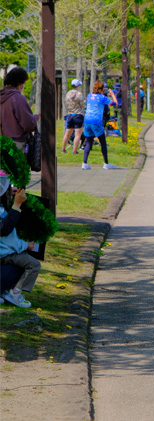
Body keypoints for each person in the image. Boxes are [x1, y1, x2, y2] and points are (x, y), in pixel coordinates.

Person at [0, 172, 40, 308]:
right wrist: (25, 245)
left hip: (4, 253)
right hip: (5, 254)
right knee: (33, 265)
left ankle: (4, 291)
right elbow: (6, 234)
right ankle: (15, 294)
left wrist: (9, 194)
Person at [82, 80, 118, 170]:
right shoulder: (102, 98)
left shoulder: (89, 95)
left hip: (87, 120)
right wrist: (112, 94)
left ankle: (84, 163)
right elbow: (115, 104)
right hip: (96, 122)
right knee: (103, 142)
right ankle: (106, 163)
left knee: (89, 142)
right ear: (102, 89)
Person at [0, 67, 38, 153]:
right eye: (23, 83)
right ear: (19, 83)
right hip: (16, 145)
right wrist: (35, 118)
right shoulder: (18, 98)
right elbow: (28, 125)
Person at [60, 79, 87, 154]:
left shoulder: (68, 93)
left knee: (67, 134)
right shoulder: (79, 94)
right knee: (77, 135)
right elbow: (82, 105)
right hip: (78, 115)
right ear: (78, 86)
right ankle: (74, 150)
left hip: (70, 115)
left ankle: (63, 149)